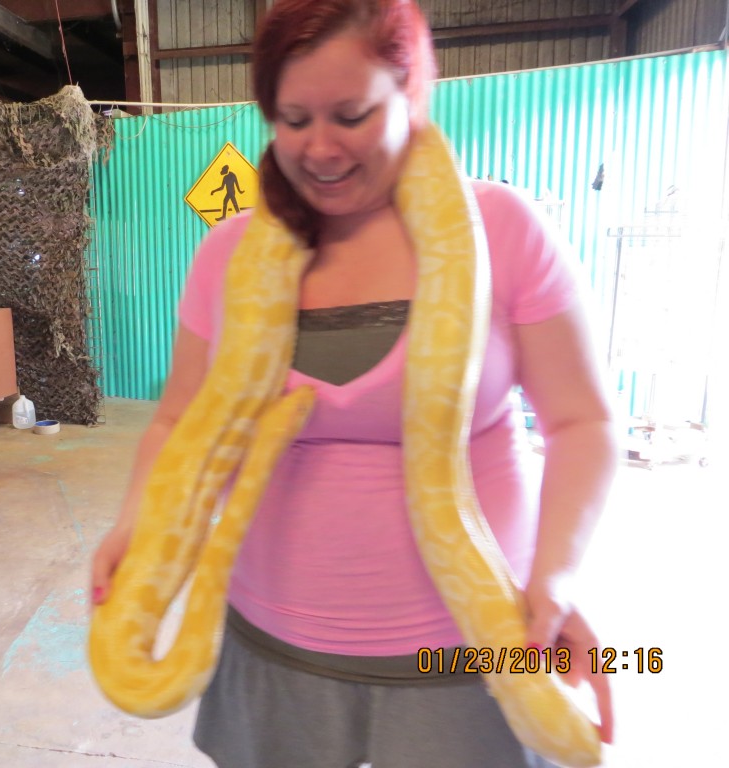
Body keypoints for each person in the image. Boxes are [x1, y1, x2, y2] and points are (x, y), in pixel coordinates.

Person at [91, 0, 618, 765]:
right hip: (271, 648)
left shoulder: (501, 230)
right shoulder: (232, 254)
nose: (320, 149)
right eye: (293, 119)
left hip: (470, 655)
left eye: (351, 114)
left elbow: (583, 423)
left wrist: (556, 577)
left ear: (410, 93)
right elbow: (181, 420)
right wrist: (136, 521)